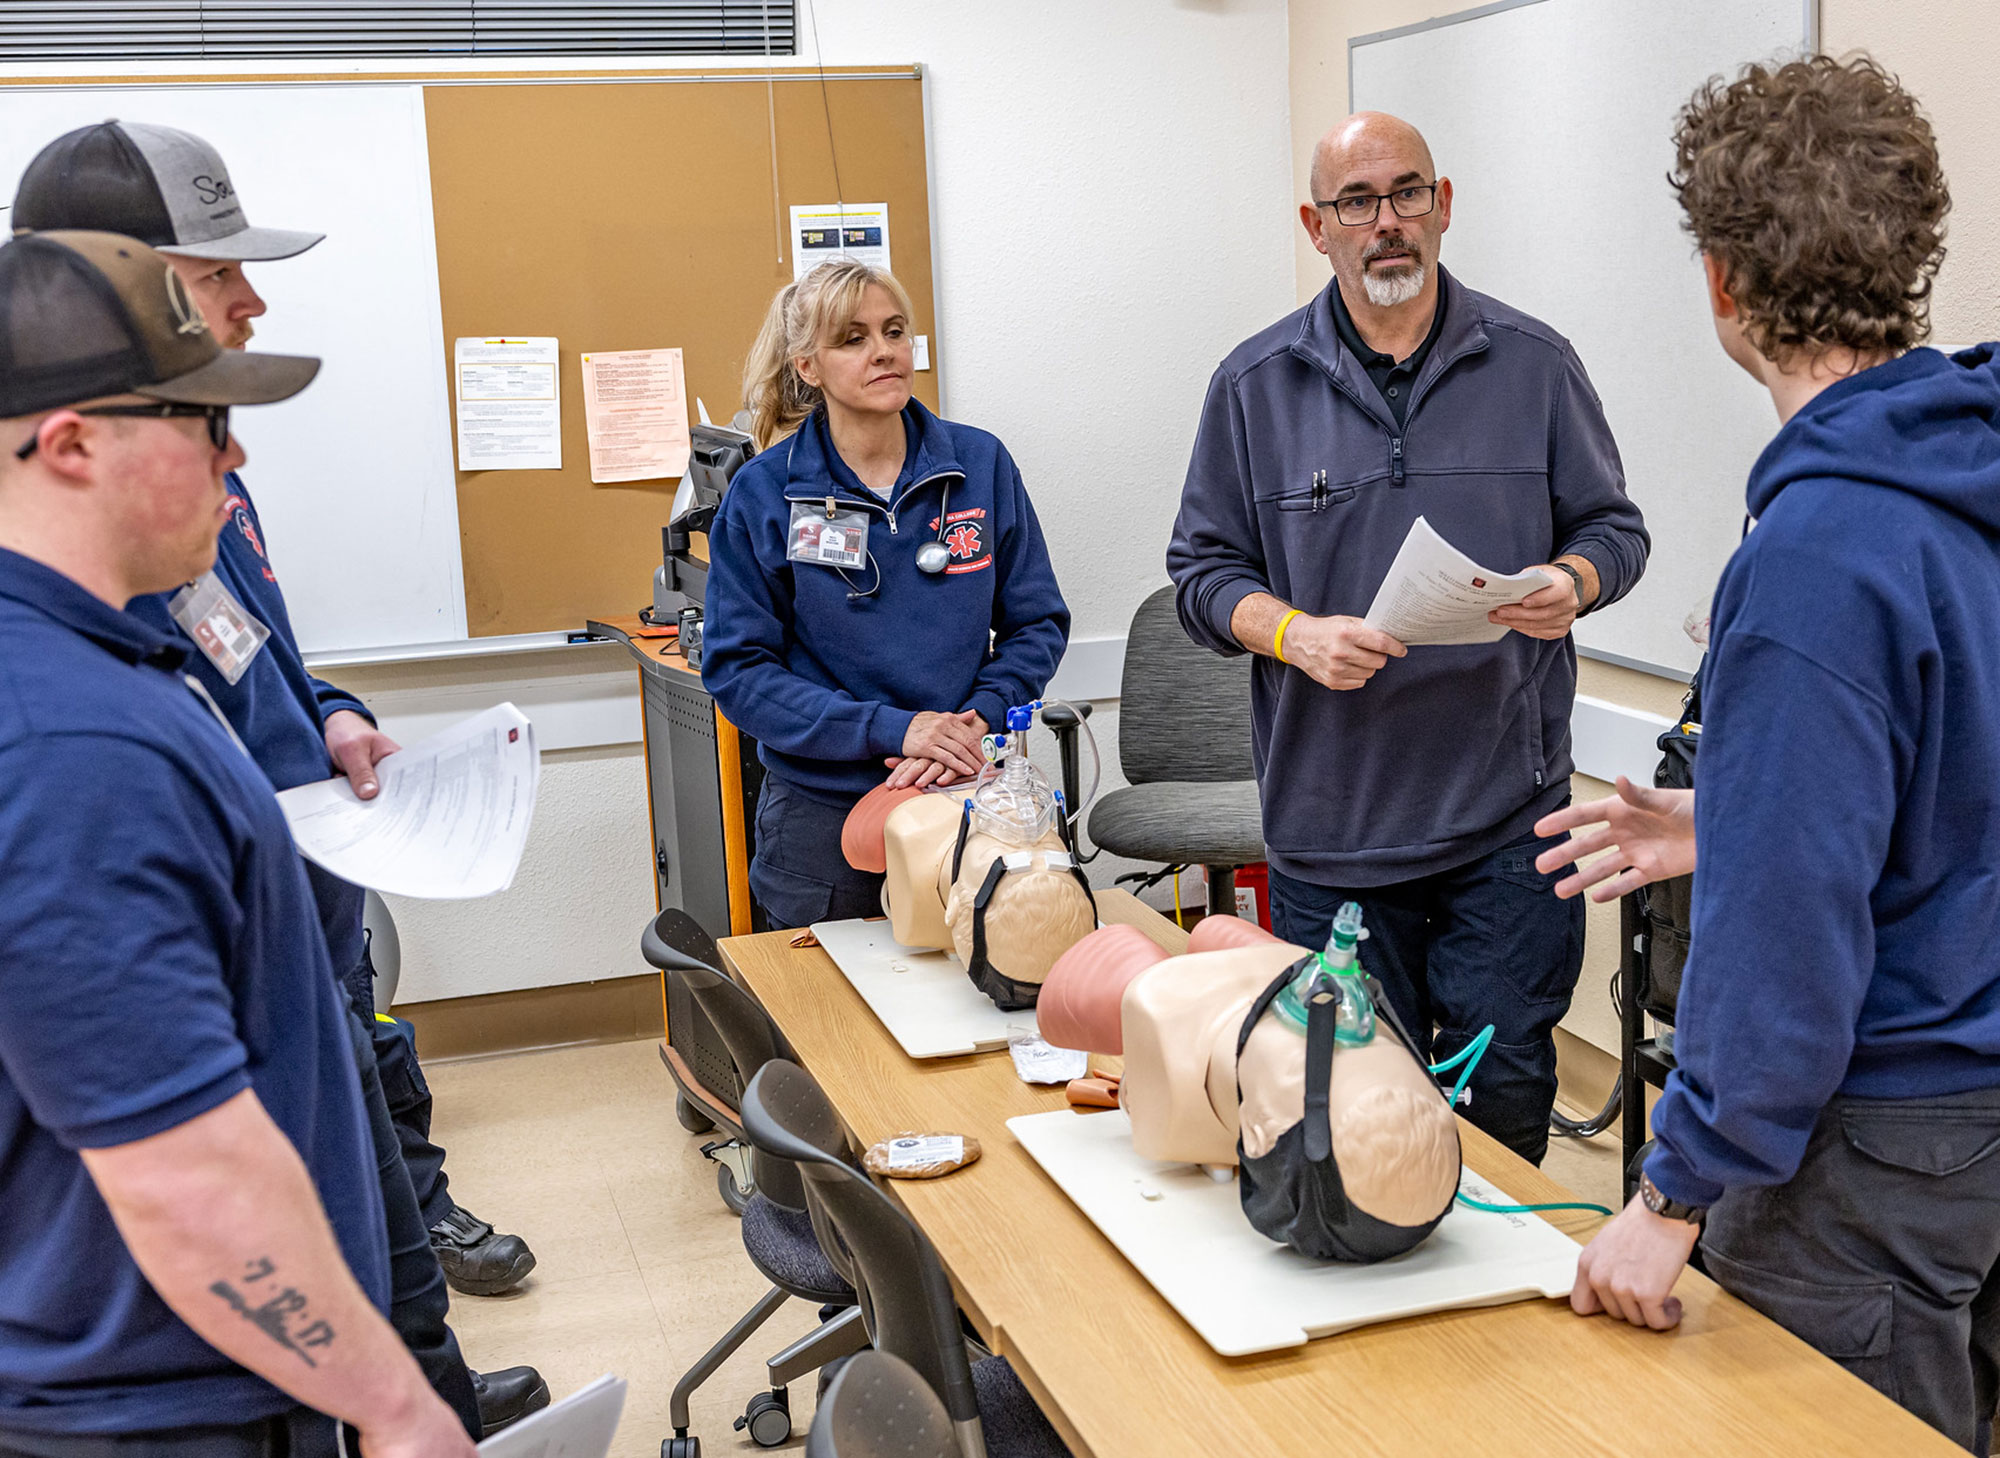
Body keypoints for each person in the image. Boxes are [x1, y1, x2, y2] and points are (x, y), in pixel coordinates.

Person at [11, 120, 546, 1431]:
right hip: (170, 1385)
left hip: (297, 956)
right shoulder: (71, 742)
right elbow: (185, 1175)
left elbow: (246, 659)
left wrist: (333, 713)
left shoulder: (125, 604)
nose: (236, 451)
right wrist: (401, 1413)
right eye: (205, 418)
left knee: (380, 1219)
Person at [1542, 57, 2000, 1453]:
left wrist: (1670, 1191)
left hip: (1880, 1145)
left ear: (1723, 282)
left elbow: (1791, 932)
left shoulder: (1817, 554)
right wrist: (1739, 809)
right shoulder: (1960, 480)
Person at [1166, 111, 1650, 1164]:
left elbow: (1615, 531)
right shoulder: (1252, 388)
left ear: (1442, 204)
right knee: (1350, 1118)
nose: (1387, 223)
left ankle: (1503, 1327)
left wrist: (1572, 581)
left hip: (1507, 829)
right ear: (1315, 224)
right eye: (1357, 202)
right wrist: (1291, 633)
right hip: (1332, 832)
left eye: (1407, 194)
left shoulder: (1533, 364)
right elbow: (1200, 577)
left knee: (1501, 1103)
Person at [702, 259, 1071, 930]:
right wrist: (896, 729)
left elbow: (1037, 623)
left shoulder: (979, 465)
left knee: (976, 1005)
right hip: (826, 819)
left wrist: (972, 722)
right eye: (853, 339)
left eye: (894, 331)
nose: (883, 352)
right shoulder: (764, 494)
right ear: (808, 366)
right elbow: (739, 672)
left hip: (966, 793)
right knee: (826, 1025)